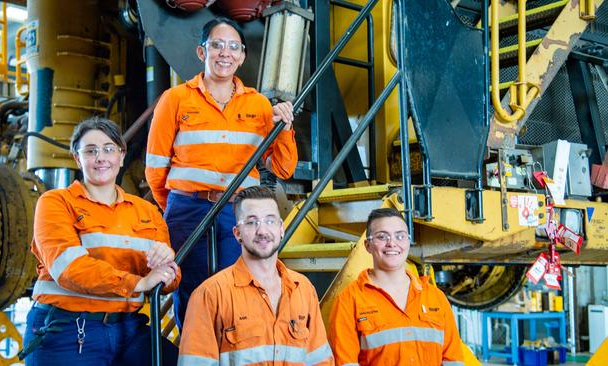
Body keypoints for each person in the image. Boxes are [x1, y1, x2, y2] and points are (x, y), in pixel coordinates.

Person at [145, 17, 298, 325]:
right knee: (191, 289)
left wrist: (284, 127)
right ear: (202, 52)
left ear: (241, 56)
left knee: (241, 287)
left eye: (233, 47)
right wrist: (177, 206)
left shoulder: (259, 105)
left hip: (238, 211)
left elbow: (282, 167)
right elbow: (155, 168)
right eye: (217, 45)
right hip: (189, 208)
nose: (224, 53)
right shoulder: (175, 99)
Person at [20, 117, 180, 365]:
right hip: (67, 330)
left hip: (128, 329)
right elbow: (70, 269)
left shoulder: (146, 212)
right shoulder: (56, 202)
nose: (101, 158)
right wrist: (138, 283)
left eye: (108, 149)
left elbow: (170, 279)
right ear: (77, 158)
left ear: (122, 155)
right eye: (91, 151)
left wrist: (167, 268)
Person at [178, 186, 334, 365]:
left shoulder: (304, 289)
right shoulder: (210, 295)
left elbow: (321, 360)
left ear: (281, 229)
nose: (262, 231)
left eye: (270, 221)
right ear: (237, 234)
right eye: (252, 222)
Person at [328, 208, 464, 366]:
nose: (392, 243)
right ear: (367, 245)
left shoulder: (435, 297)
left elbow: (453, 360)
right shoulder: (349, 300)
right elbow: (346, 363)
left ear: (408, 242)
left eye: (400, 236)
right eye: (382, 236)